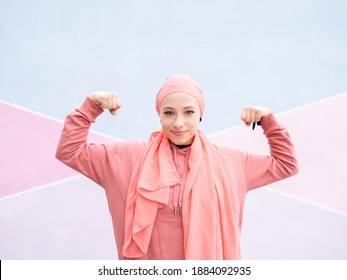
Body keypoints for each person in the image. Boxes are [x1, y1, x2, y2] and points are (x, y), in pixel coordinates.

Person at [56, 74, 299, 260]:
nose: (178, 123)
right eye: (169, 113)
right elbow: (70, 151)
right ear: (159, 115)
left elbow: (285, 164)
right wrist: (90, 107)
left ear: (200, 115)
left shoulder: (230, 163)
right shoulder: (126, 158)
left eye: (189, 112)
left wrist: (268, 121)